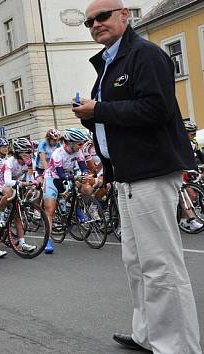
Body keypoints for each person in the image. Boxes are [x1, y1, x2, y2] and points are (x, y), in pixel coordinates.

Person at [73, 2, 201, 352]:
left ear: (124, 15)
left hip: (152, 173)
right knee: (136, 261)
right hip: (128, 176)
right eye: (89, 22)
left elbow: (156, 109)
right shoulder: (110, 63)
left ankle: (177, 346)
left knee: (161, 264)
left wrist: (97, 109)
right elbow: (118, 121)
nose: (95, 24)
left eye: (102, 16)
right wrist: (92, 117)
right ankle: (148, 333)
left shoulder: (145, 54)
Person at [0, 138, 37, 253]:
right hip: (3, 184)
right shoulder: (9, 162)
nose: (29, 155)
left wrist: (33, 184)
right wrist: (23, 183)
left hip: (16, 184)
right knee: (9, 192)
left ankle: (22, 243)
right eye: (26, 152)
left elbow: (29, 177)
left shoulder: (28, 162)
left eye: (30, 152)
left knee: (18, 215)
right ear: (18, 152)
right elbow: (7, 181)